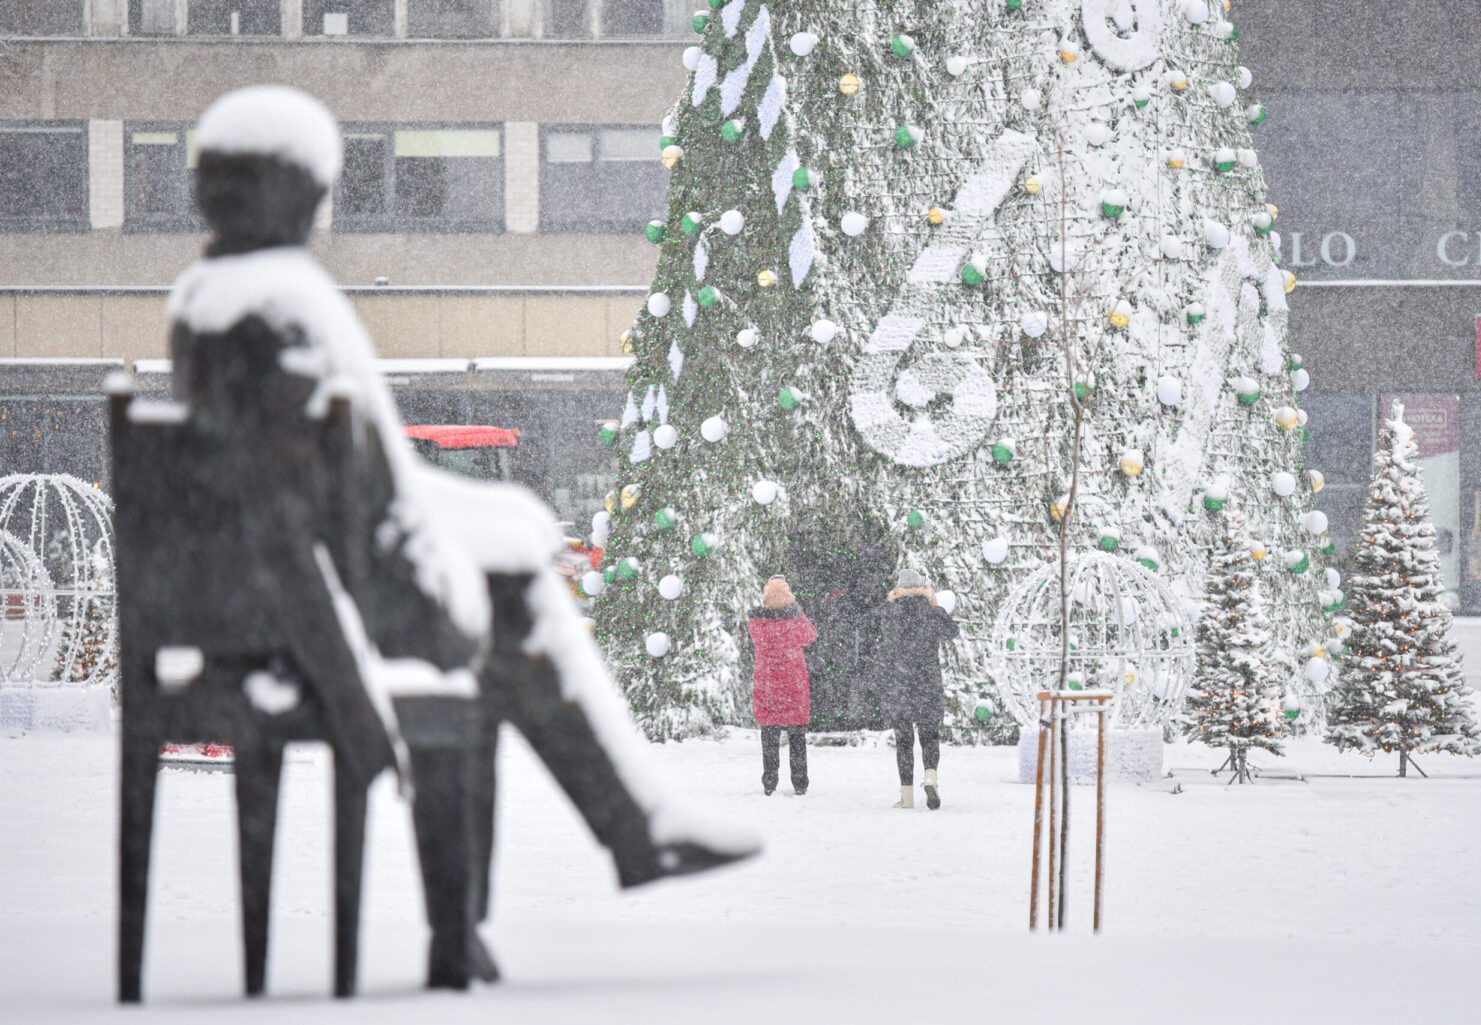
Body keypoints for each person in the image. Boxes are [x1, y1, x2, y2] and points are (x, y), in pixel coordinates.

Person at [171, 85, 758, 988]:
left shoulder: (216, 302)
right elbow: (312, 507)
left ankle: (592, 853)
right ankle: (610, 840)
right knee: (504, 633)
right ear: (293, 194)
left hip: (310, 592)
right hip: (314, 615)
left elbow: (348, 478)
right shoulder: (276, 311)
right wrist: (353, 666)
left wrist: (493, 519)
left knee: (510, 610)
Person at [873, 568, 959, 810]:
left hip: (899, 683)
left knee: (904, 741)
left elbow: (883, 638)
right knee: (929, 736)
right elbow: (952, 632)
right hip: (927, 682)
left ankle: (907, 796)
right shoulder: (931, 612)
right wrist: (936, 609)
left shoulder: (889, 612)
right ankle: (930, 777)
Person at [748, 576, 817, 795]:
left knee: (769, 737)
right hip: (793, 687)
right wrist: (798, 612)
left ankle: (769, 782)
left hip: (767, 686)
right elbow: (810, 635)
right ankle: (800, 783)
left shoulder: (756, 624)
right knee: (797, 738)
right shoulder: (795, 622)